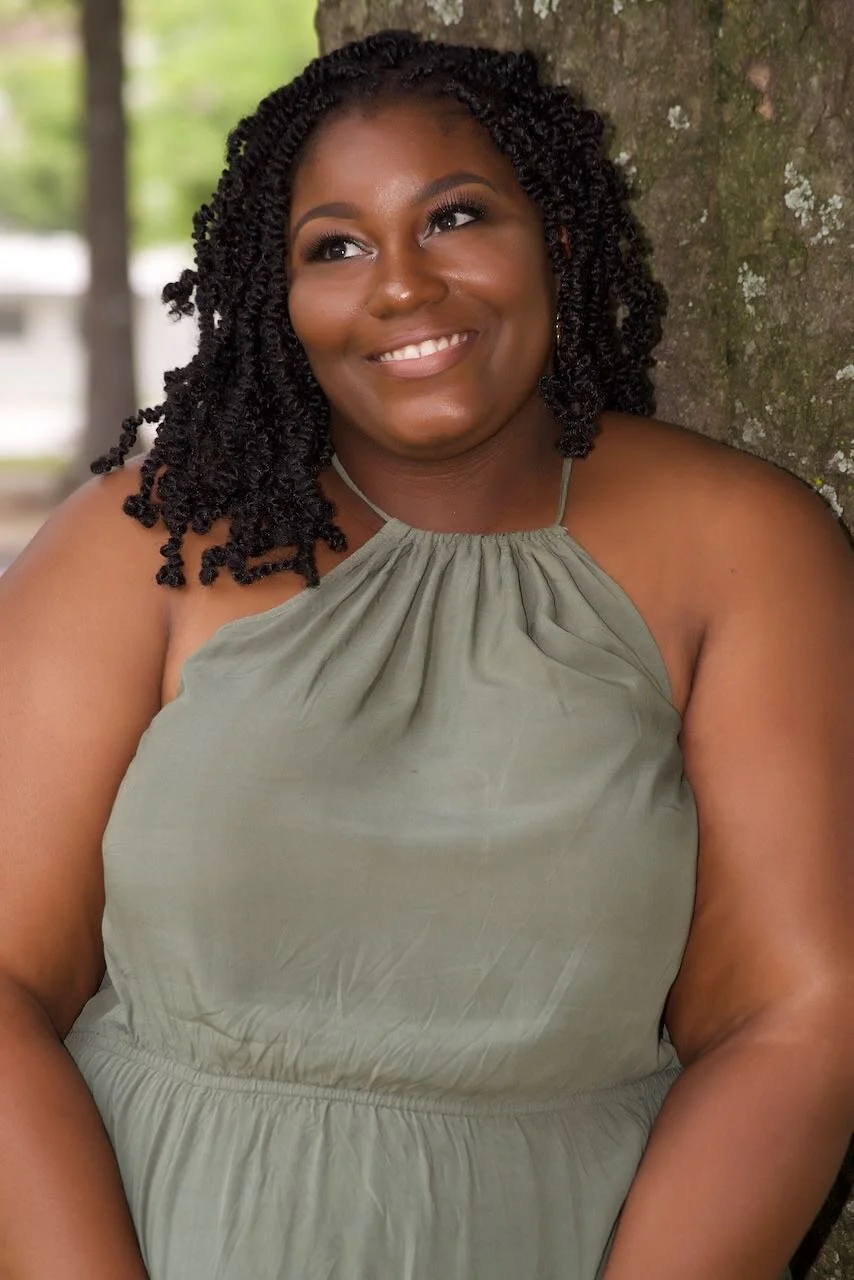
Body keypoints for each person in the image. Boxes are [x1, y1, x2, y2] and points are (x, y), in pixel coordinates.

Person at [0, 28, 851, 1280]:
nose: (399, 284)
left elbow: (798, 1016)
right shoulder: (146, 544)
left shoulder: (744, 546)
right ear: (276, 296)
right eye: (332, 246)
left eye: (453, 218)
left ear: (555, 236)